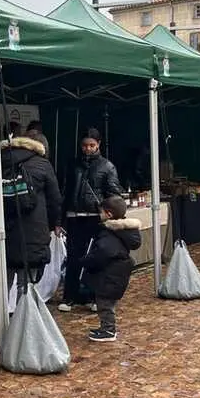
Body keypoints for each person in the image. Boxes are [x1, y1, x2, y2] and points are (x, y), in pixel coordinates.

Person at [0, 129, 62, 346]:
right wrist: (53, 224)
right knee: (25, 282)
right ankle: (23, 329)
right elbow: (55, 199)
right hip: (34, 231)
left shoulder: (0, 161)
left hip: (5, 230)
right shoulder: (42, 164)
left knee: (3, 281)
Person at [60, 127, 123, 312]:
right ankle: (70, 296)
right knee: (73, 257)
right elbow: (65, 192)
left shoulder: (107, 166)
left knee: (95, 258)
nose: (88, 149)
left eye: (91, 145)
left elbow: (114, 193)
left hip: (95, 218)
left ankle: (94, 296)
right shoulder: (72, 164)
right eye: (85, 145)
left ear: (98, 145)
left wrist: (108, 212)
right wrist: (59, 219)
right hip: (74, 217)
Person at [79, 196, 141, 342]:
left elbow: (103, 252)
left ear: (108, 214)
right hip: (116, 273)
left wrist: (85, 261)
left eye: (101, 212)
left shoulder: (109, 233)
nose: (99, 215)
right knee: (107, 303)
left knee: (104, 304)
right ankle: (106, 327)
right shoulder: (125, 232)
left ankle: (108, 330)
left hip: (109, 275)